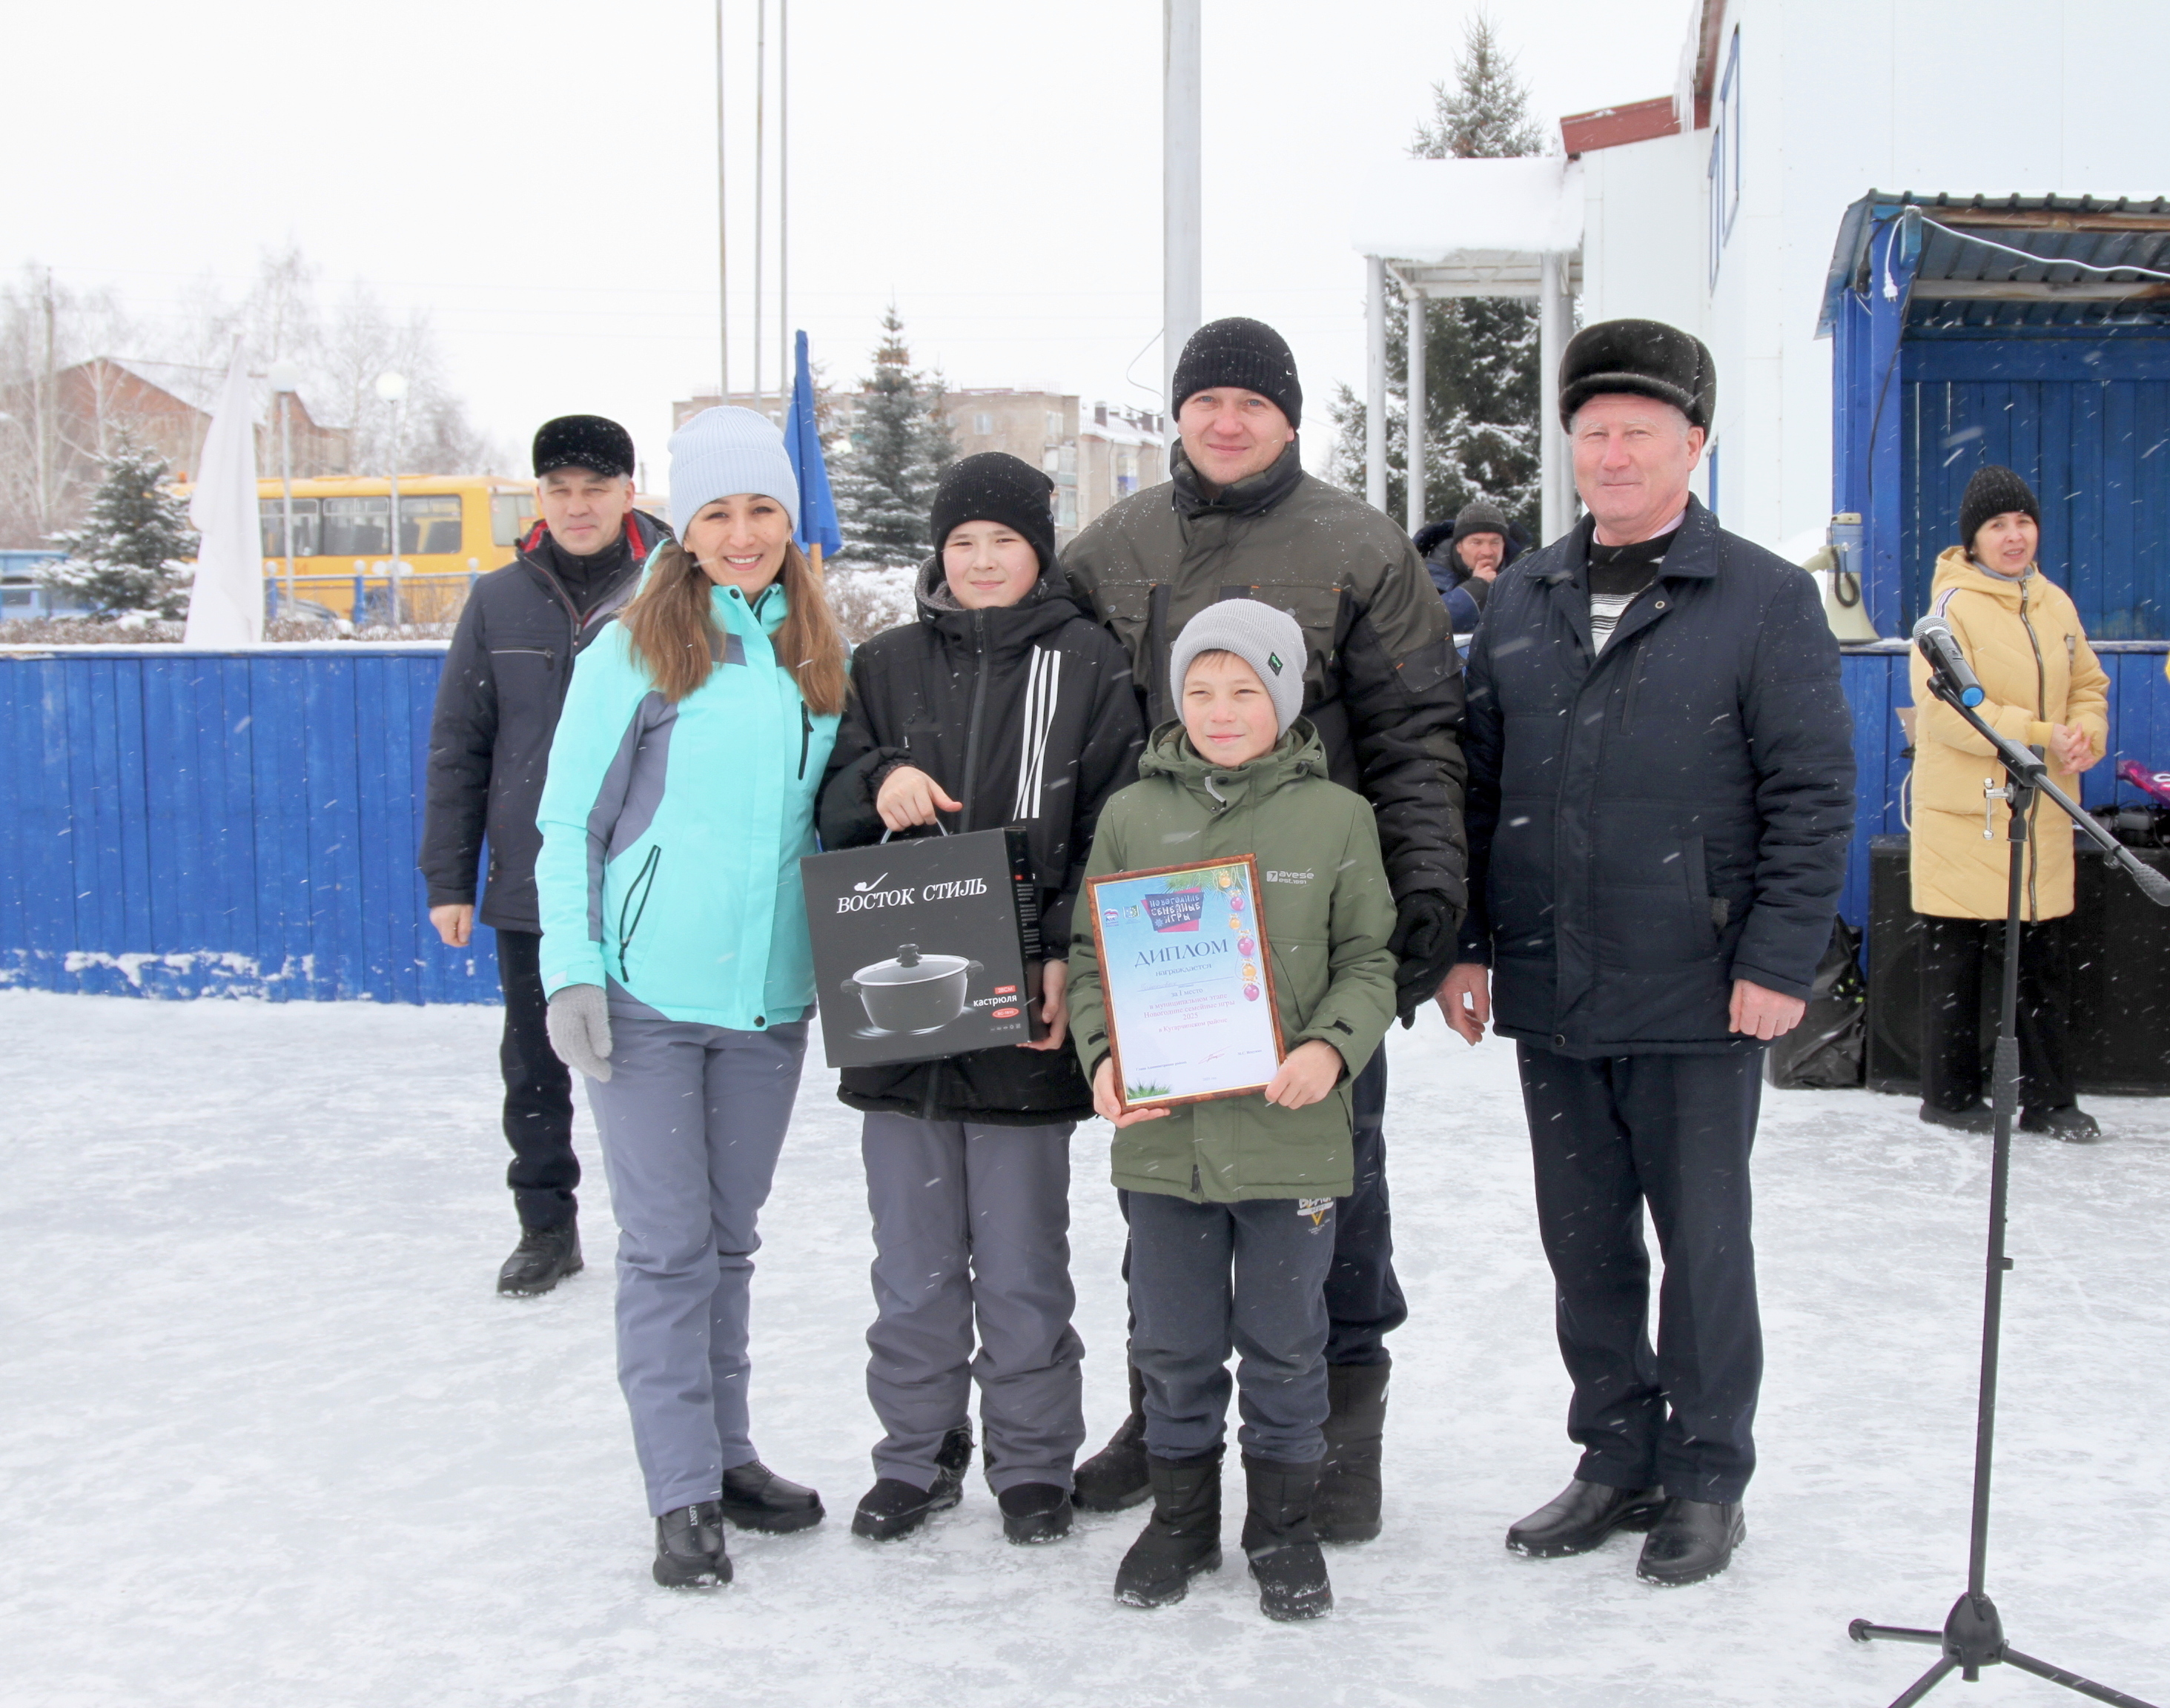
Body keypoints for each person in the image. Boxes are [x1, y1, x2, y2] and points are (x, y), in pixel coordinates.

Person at [1437, 319, 1855, 1587]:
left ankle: (1705, 1470)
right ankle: (1614, 1452)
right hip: (1555, 984)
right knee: (1588, 1243)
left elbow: (1812, 793)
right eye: (1592, 432)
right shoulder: (1525, 594)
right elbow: (1475, 779)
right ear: (1568, 447)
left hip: (1700, 986)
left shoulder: (1762, 599)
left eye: (1638, 432)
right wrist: (1462, 939)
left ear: (1693, 444)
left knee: (1703, 1241)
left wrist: (1778, 960)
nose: (1612, 454)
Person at [1062, 316, 1466, 1540]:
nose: (1226, 420)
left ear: (1289, 418)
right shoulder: (1117, 543)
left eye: (1253, 401)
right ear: (1178, 414)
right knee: (1166, 1189)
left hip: (1304, 926)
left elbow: (1416, 732)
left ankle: (1335, 1439)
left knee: (1335, 1189)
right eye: (1205, 400)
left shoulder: (1358, 543)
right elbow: (1026, 636)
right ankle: (1161, 1413)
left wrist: (1426, 890)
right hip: (1165, 942)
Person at [532, 406, 846, 1589]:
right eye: (717, 511)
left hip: (770, 1004)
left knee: (728, 1242)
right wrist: (572, 969)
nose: (742, 532)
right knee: (668, 1253)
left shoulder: (820, 652)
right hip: (649, 998)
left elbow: (837, 806)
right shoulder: (634, 645)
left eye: (761, 508)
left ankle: (727, 1456)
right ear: (685, 525)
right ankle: (678, 1494)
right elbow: (568, 820)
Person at [816, 452, 1145, 1546]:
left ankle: (1032, 1462)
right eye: (961, 543)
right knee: (909, 1268)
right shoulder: (885, 663)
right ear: (937, 554)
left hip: (1020, 1018)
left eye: (1001, 541)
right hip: (900, 1024)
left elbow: (1112, 824)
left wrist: (1060, 949)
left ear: (1037, 550)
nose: (980, 560)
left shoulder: (1091, 665)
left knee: (1019, 1264)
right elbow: (829, 801)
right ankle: (913, 1456)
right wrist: (877, 784)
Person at [1066, 600, 1397, 1621]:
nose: (1219, 710)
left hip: (1287, 1136)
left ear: (1283, 698)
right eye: (1199, 690)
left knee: (1284, 1343)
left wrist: (1327, 1048)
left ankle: (1282, 1529)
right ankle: (1179, 1520)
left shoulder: (1335, 817)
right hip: (1164, 1144)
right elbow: (1089, 960)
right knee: (1168, 1340)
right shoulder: (1131, 815)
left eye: (1244, 689)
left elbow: (1369, 962)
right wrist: (1102, 1057)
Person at [419, 416, 671, 1296]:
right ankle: (545, 1228)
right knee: (535, 1063)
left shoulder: (673, 585)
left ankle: (669, 1232)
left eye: (594, 488)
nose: (577, 506)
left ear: (628, 492)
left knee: (656, 1061)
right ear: (538, 498)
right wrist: (450, 878)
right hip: (537, 880)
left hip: (651, 877)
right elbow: (461, 741)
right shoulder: (498, 599)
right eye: (558, 490)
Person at [1911, 464, 2108, 1141]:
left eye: (2022, 521)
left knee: (2042, 967)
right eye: (1997, 525)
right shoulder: (1946, 611)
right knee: (1957, 970)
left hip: (2042, 811)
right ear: (1972, 539)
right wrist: (2039, 735)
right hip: (1970, 820)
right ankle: (1950, 1097)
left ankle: (2050, 1102)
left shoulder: (2054, 603)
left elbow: (2087, 684)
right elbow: (1948, 714)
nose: (2013, 535)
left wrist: (2086, 734)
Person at [1416, 498, 1519, 632]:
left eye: (1495, 542)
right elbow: (1426, 626)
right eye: (1476, 543)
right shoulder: (1424, 577)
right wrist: (1477, 588)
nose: (1487, 552)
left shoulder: (1517, 580)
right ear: (1459, 546)